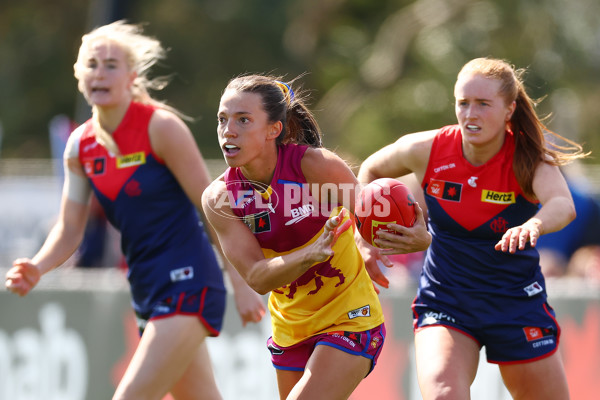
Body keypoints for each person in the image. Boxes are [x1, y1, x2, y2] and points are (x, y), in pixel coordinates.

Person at [4, 20, 265, 400]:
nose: (100, 73)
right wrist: (37, 266)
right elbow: (69, 228)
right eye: (92, 64)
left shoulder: (161, 127)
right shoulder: (80, 147)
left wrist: (241, 282)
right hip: (146, 287)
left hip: (189, 281)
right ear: (79, 76)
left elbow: (212, 205)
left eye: (112, 65)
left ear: (131, 77)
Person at [357, 57, 589, 399]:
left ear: (509, 110)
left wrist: (534, 225)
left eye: (483, 104)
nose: (470, 114)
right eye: (463, 103)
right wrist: (367, 240)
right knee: (442, 394)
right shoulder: (426, 149)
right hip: (446, 301)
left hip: (515, 303)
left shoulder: (527, 157)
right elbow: (369, 171)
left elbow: (562, 205)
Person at [201, 74, 431, 399]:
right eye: (222, 119)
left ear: (274, 129)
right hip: (290, 326)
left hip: (350, 315)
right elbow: (257, 277)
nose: (228, 130)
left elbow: (368, 213)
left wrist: (416, 240)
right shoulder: (220, 198)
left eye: (243, 120)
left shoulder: (316, 167)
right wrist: (310, 253)